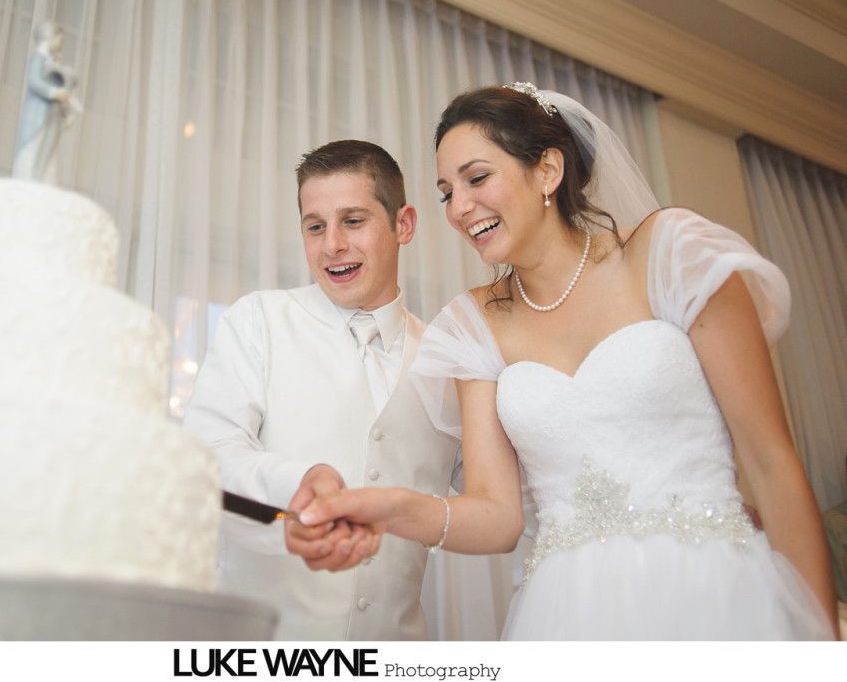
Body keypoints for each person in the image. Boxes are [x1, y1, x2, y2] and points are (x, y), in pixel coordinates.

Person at [295, 84, 838, 640]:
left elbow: (771, 462)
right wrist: (387, 508)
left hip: (715, 592)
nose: (458, 209)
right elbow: (496, 516)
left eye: (477, 179)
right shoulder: (472, 325)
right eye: (445, 193)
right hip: (567, 619)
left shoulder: (671, 254)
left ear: (548, 170)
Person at [182, 140, 461, 640]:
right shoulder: (258, 320)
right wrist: (295, 485)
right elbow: (206, 456)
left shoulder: (448, 361)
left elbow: (493, 505)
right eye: (315, 226)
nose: (332, 244)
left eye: (353, 221)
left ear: (404, 224)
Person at [12, 22, 83, 184]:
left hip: (52, 118)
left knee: (48, 151)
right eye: (59, 39)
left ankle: (40, 176)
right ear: (50, 38)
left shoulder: (51, 62)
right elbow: (34, 81)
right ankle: (33, 177)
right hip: (38, 117)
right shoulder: (38, 59)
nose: (60, 44)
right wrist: (55, 92)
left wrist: (66, 112)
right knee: (34, 149)